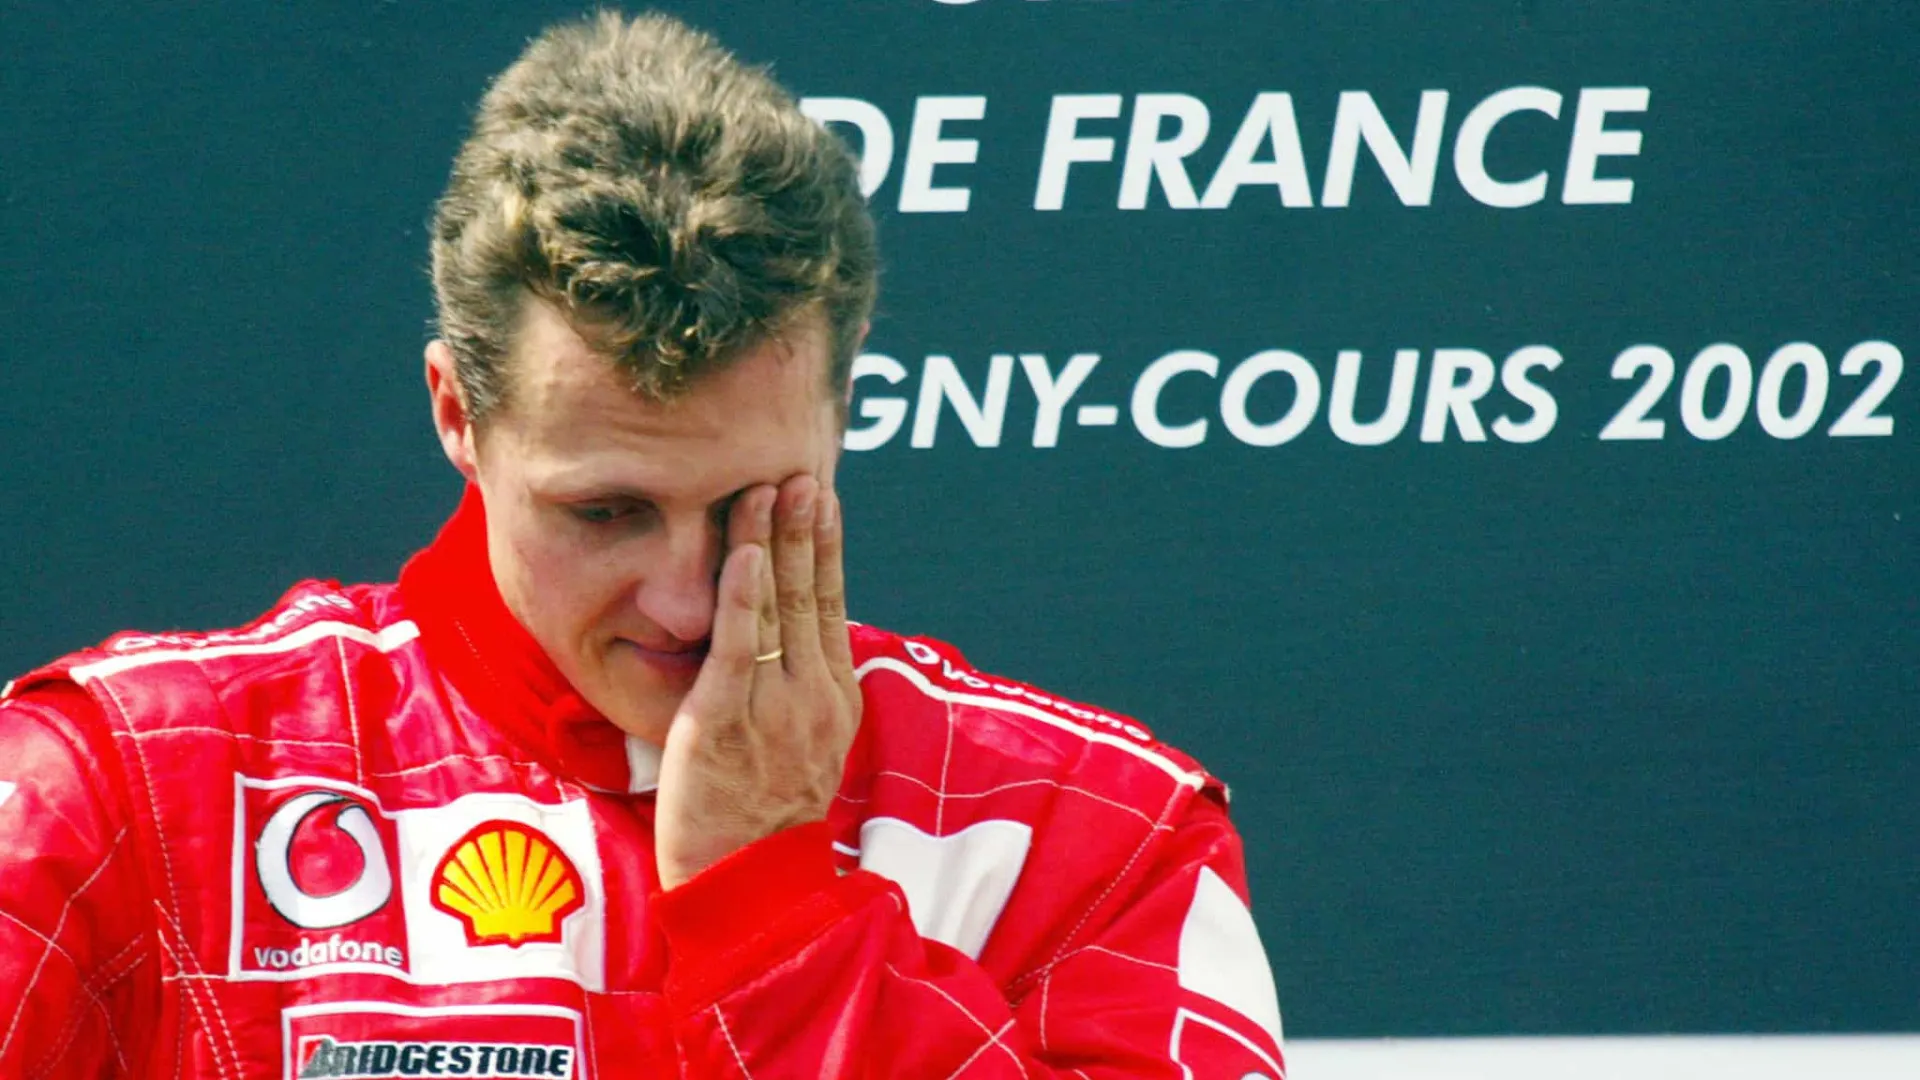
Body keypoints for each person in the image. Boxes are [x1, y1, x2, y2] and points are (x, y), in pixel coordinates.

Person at [0, 10, 1284, 1078]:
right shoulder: (115, 794)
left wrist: (776, 905)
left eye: (748, 508)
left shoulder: (1099, 841)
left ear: (844, 407)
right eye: (605, 512)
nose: (683, 600)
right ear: (457, 414)